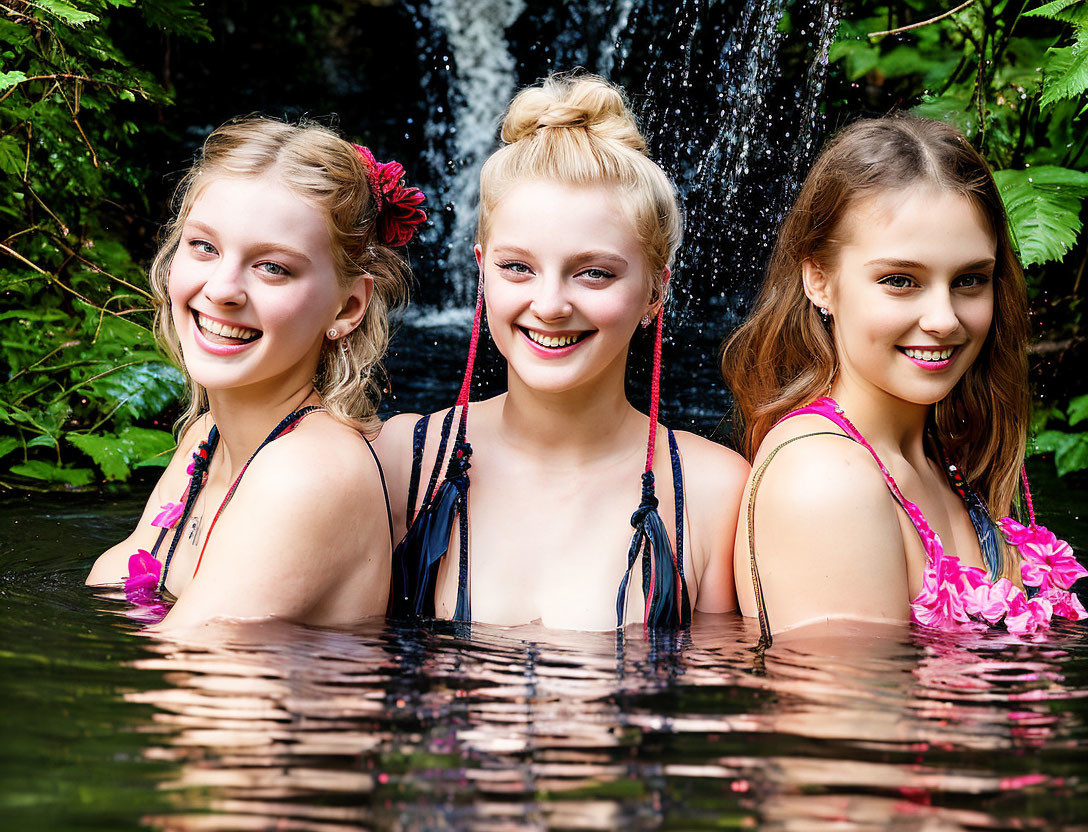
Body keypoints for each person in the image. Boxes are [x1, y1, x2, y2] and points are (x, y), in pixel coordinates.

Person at [376, 73, 749, 631]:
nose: (549, 305)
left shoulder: (716, 492)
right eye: (517, 268)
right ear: (480, 270)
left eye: (593, 273)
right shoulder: (402, 459)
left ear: (655, 291)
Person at [721, 115, 1086, 644]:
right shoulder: (826, 480)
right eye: (900, 281)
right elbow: (859, 725)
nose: (944, 318)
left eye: (969, 281)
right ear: (818, 279)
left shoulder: (947, 457)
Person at [87, 118, 426, 629]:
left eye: (272, 267)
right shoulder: (206, 440)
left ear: (347, 306)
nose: (222, 289)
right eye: (204, 246)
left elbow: (175, 679)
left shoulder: (308, 473)